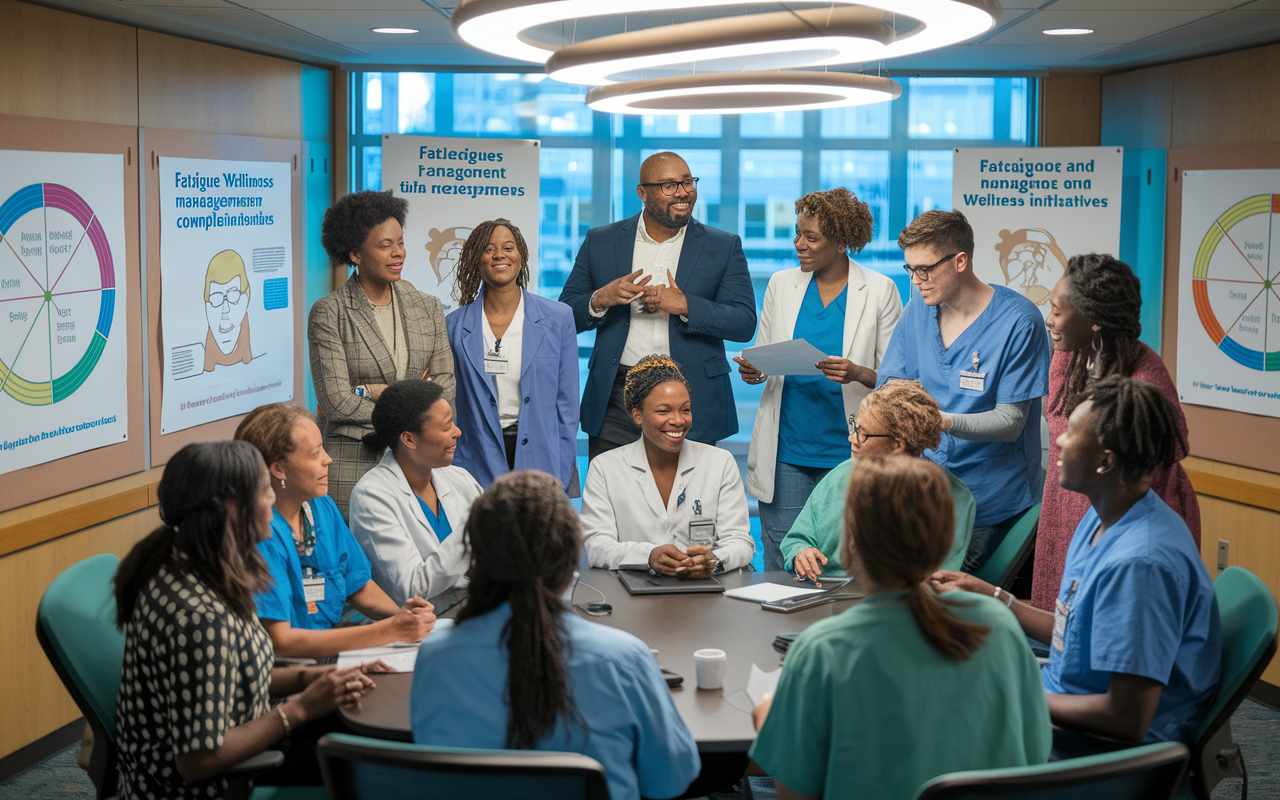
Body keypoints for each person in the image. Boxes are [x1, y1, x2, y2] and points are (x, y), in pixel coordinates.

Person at [932, 376, 1220, 748]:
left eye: (1070, 432)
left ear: (1105, 461)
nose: (1059, 441)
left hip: (1097, 750)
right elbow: (1079, 633)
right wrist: (996, 596)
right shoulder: (1104, 517)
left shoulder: (1141, 564)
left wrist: (1013, 695)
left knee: (932, 726)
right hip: (1059, 701)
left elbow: (1126, 718)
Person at [751, 456, 1051, 800]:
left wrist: (770, 724)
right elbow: (1036, 751)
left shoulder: (825, 648)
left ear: (850, 545)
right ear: (944, 544)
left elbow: (794, 795)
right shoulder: (996, 622)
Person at [410, 471, 701, 800]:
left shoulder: (435, 656)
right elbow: (669, 781)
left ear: (475, 558)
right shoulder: (623, 658)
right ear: (568, 559)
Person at [112, 441, 377, 800]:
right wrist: (300, 707)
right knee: (368, 760)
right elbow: (199, 761)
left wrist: (320, 677)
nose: (273, 501)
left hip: (250, 731)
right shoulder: (201, 617)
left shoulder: (193, 563)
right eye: (266, 490)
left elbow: (234, 676)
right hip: (215, 782)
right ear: (232, 508)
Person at [736, 187, 902, 571]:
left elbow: (899, 382)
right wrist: (754, 370)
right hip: (788, 451)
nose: (800, 245)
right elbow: (764, 352)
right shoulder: (781, 284)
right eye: (797, 234)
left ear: (842, 243)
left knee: (849, 558)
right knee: (783, 559)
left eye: (811, 238)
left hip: (851, 452)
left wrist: (858, 373)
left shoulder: (880, 291)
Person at [876, 209, 1051, 571]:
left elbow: (1010, 421)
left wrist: (939, 421)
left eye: (925, 269)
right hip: (929, 494)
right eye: (910, 270)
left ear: (960, 261)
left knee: (956, 610)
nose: (917, 280)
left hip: (992, 500)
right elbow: (893, 383)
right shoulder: (917, 312)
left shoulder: (1019, 321)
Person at [559, 151, 756, 459]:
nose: (683, 192)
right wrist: (600, 299)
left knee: (687, 502)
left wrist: (686, 305)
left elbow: (744, 322)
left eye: (688, 182)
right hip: (617, 396)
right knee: (616, 499)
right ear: (642, 192)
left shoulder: (723, 245)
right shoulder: (601, 240)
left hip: (692, 398)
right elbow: (564, 316)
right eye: (669, 185)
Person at [1032, 253, 1200, 611]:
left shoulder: (1143, 383)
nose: (1049, 320)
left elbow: (1157, 464)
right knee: (1060, 626)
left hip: (1128, 520)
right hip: (1069, 506)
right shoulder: (1068, 357)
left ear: (1094, 321)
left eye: (1058, 312)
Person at [234, 403, 437, 658]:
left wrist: (406, 619)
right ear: (279, 469)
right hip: (288, 667)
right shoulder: (261, 533)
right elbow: (281, 642)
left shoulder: (319, 505)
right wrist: (390, 631)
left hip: (331, 650)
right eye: (315, 454)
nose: (328, 459)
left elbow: (358, 584)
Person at [309, 190, 456, 517]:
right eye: (385, 245)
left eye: (400, 242)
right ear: (356, 254)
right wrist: (411, 398)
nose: (398, 253)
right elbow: (336, 400)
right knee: (360, 565)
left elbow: (445, 387)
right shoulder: (329, 313)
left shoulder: (427, 307)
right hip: (354, 465)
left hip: (418, 466)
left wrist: (375, 392)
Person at [781, 379, 975, 581]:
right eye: (855, 428)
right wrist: (800, 552)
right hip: (824, 594)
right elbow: (797, 538)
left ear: (897, 444)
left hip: (901, 604)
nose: (852, 440)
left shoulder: (953, 498)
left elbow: (938, 578)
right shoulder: (840, 475)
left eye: (863, 434)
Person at [580, 355, 754, 576]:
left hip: (704, 589)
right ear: (637, 416)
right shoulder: (605, 468)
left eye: (685, 409)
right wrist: (649, 556)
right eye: (663, 411)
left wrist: (714, 561)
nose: (678, 421)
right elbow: (596, 546)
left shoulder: (720, 462)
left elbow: (740, 541)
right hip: (634, 591)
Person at [446, 218, 580, 494]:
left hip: (541, 459)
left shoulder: (558, 318)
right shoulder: (454, 326)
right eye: (489, 249)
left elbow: (567, 406)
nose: (500, 255)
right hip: (475, 459)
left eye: (508, 247)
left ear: (521, 256)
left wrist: (563, 466)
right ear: (476, 259)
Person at [348, 379, 481, 606]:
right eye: (447, 426)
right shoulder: (371, 496)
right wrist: (474, 530)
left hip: (477, 610)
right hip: (420, 626)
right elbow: (411, 589)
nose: (457, 432)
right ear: (409, 439)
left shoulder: (460, 478)